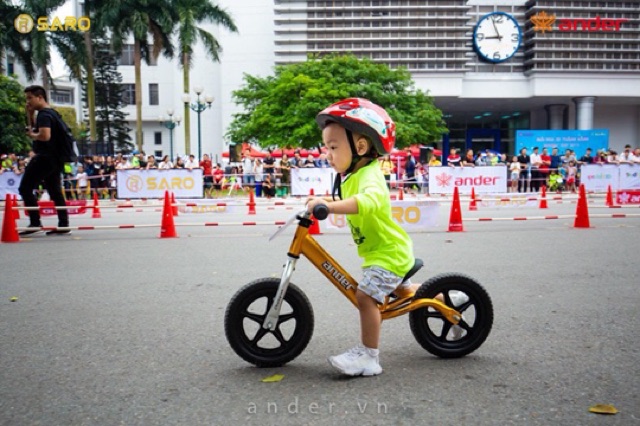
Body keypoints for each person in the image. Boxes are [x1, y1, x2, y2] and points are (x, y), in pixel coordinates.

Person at [305, 98, 451, 376]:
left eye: (333, 147)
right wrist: (323, 199)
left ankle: (368, 357)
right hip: (385, 251)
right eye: (327, 148)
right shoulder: (351, 176)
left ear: (360, 147)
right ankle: (444, 301)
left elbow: (368, 200)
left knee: (365, 296)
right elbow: (348, 197)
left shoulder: (371, 175)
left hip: (388, 255)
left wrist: (329, 207)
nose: (328, 154)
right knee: (405, 291)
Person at [18, 85, 71, 235]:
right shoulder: (52, 113)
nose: (28, 102)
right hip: (56, 158)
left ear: (40, 97)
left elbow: (44, 135)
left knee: (25, 188)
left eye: (30, 98)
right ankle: (63, 224)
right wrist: (29, 115)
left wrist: (32, 136)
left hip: (45, 157)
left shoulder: (44, 115)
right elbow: (36, 129)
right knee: (55, 190)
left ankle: (35, 222)